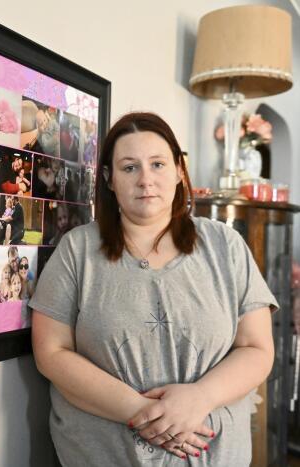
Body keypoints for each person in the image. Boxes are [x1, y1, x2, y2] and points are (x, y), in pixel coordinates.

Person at [29, 112, 277, 466]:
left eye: (158, 164)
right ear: (109, 179)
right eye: (129, 167)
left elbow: (256, 348)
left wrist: (200, 399)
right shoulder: (77, 251)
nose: (146, 179)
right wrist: (143, 413)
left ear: (179, 170)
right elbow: (51, 352)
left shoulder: (226, 245)